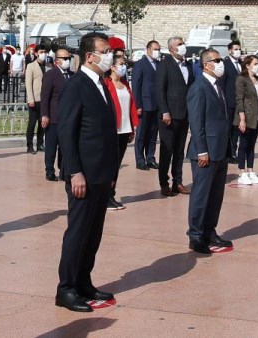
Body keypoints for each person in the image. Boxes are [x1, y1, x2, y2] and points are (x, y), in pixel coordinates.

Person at [56, 32, 118, 312]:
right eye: (105, 51)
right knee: (78, 232)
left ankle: (83, 281)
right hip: (84, 175)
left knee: (93, 233)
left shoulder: (101, 84)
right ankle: (66, 288)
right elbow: (66, 133)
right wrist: (74, 172)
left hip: (102, 173)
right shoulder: (77, 86)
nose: (110, 56)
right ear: (90, 55)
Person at [186, 48, 233, 254]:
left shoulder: (218, 86)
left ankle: (209, 231)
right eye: (217, 60)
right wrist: (202, 150)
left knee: (216, 195)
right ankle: (195, 235)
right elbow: (196, 123)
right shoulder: (199, 88)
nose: (220, 63)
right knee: (201, 195)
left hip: (220, 150)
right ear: (206, 64)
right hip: (205, 152)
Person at [156, 36, 194, 196]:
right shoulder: (165, 64)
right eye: (179, 44)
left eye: (183, 43)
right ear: (172, 48)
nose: (183, 46)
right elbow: (159, 89)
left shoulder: (188, 65)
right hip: (169, 115)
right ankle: (163, 182)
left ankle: (177, 181)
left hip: (184, 114)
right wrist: (165, 110)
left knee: (179, 150)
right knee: (167, 149)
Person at [104, 55, 139, 210]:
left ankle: (111, 193)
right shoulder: (106, 84)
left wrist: (133, 127)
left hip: (125, 129)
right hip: (112, 130)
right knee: (109, 164)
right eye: (121, 64)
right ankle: (106, 196)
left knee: (116, 164)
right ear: (112, 67)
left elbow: (131, 105)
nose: (124, 67)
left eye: (125, 64)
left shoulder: (125, 84)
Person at [40, 48, 73, 181]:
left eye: (68, 58)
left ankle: (64, 170)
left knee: (65, 146)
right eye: (64, 59)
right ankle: (49, 170)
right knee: (51, 146)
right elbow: (45, 96)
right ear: (57, 60)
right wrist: (45, 115)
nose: (67, 61)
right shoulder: (51, 75)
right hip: (54, 117)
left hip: (68, 118)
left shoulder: (72, 74)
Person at [233, 55, 258, 185]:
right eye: (255, 63)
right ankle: (242, 172)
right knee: (244, 145)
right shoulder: (241, 79)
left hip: (257, 117)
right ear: (247, 65)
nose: (257, 66)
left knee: (252, 145)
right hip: (245, 117)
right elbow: (239, 99)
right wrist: (242, 119)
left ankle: (251, 170)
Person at [132, 40, 160, 171]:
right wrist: (138, 105)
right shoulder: (140, 64)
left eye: (158, 49)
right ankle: (140, 159)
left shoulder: (159, 64)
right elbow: (136, 85)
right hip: (145, 103)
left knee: (153, 133)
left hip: (157, 104)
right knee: (142, 133)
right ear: (148, 50)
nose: (157, 51)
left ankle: (150, 158)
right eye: (155, 49)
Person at [25, 45, 50, 154]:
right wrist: (31, 99)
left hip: (45, 99)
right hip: (35, 99)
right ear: (36, 53)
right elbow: (28, 84)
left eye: (45, 51)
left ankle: (40, 143)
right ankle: (29, 145)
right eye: (41, 51)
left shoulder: (49, 66)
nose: (43, 53)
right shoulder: (31, 66)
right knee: (32, 123)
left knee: (42, 123)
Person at [221, 41, 243, 164]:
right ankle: (226, 152)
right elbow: (222, 84)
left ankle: (233, 152)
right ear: (230, 51)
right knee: (229, 128)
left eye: (239, 49)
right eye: (235, 49)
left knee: (236, 129)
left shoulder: (241, 64)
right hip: (229, 102)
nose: (238, 51)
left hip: (239, 102)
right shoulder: (225, 64)